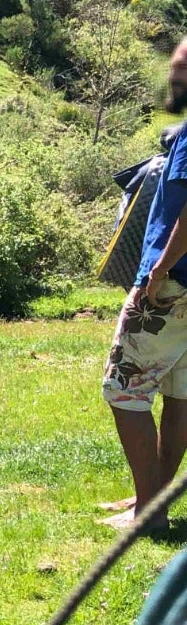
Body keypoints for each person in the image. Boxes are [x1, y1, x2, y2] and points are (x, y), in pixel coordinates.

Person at [100, 38, 187, 532]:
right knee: (181, 393)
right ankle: (151, 502)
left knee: (123, 389)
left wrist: (159, 269)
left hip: (171, 283)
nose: (174, 68)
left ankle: (147, 512)